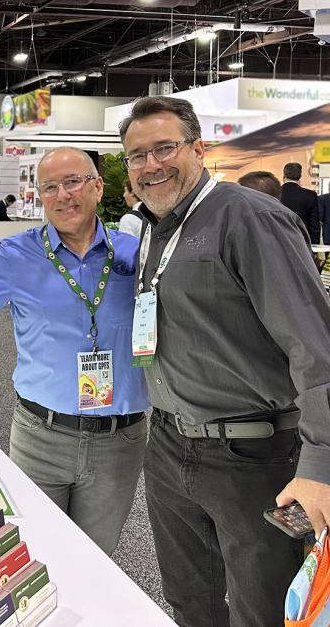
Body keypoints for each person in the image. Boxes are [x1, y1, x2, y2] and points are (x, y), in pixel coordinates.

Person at [120, 95, 330, 627]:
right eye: (137, 155)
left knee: (262, 609)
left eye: (164, 148)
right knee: (191, 599)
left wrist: (321, 466)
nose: (151, 165)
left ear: (198, 148)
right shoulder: (152, 225)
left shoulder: (251, 220)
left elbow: (316, 350)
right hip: (168, 445)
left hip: (252, 458)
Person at [0, 147, 148, 555]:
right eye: (51, 187)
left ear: (97, 187)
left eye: (74, 182)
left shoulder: (135, 254)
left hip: (120, 441)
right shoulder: (17, 256)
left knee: (94, 559)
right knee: (31, 553)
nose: (63, 195)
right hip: (41, 435)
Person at [281, 161, 320, 244]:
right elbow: (314, 224)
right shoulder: (310, 195)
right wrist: (314, 245)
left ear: (284, 175)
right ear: (300, 176)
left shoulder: (273, 194)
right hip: (303, 242)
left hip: (280, 241)